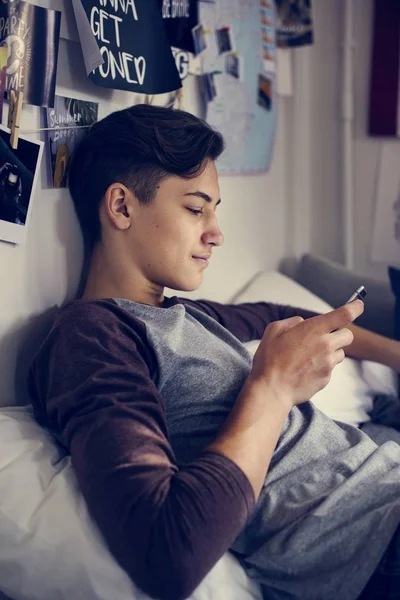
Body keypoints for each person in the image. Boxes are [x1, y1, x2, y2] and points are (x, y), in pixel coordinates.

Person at [27, 104, 400, 600]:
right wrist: (273, 387)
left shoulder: (183, 314)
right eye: (195, 207)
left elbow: (277, 310)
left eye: (214, 210)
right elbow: (167, 554)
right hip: (376, 544)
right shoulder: (93, 337)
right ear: (121, 207)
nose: (216, 233)